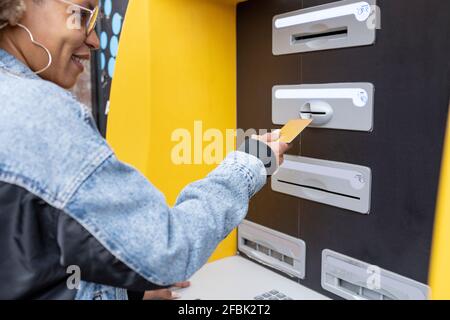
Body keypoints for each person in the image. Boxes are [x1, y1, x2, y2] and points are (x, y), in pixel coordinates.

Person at [0, 0, 290, 300]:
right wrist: (249, 165)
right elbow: (167, 251)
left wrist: (133, 291)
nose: (95, 40)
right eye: (82, 13)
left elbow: (37, 261)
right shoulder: (39, 112)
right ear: (18, 6)